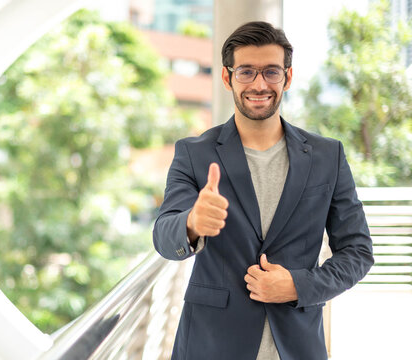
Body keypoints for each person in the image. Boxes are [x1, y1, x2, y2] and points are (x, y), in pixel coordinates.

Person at [152, 21, 374, 360]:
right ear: (227, 78)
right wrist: (192, 222)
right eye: (246, 72)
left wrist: (299, 286)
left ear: (287, 76)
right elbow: (164, 237)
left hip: (297, 345)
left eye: (271, 72)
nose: (259, 84)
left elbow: (358, 251)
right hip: (211, 344)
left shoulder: (328, 155)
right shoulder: (194, 153)